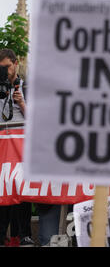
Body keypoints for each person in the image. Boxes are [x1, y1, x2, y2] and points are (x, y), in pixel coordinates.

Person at [0, 48, 34, 247]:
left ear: (15, 64)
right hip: (3, 152)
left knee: (22, 190)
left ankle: (24, 234)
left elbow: (37, 123)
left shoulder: (27, 87)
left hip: (21, 152)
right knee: (2, 190)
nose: (5, 72)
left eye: (7, 67)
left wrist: (22, 104)